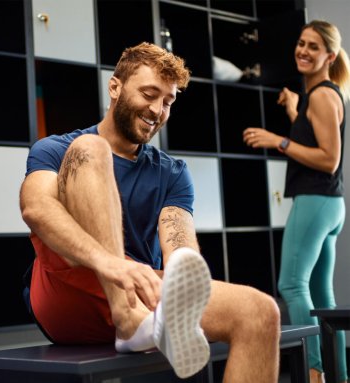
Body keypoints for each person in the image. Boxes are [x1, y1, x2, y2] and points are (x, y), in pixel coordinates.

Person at [21, 42, 281, 382]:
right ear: (114, 87)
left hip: (142, 291)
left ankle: (137, 318)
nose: (157, 109)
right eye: (149, 94)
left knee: (260, 312)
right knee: (89, 148)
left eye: (168, 101)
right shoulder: (55, 148)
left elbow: (179, 241)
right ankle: (127, 316)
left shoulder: (172, 172)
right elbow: (35, 207)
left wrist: (182, 284)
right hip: (68, 290)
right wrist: (110, 264)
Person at [244, 20, 350, 383]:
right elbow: (316, 136)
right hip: (330, 205)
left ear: (329, 56)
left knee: (292, 284)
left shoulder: (321, 95)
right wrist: (294, 111)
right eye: (301, 43)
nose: (303, 51)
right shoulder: (320, 95)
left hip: (315, 200)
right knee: (321, 293)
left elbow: (328, 159)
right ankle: (338, 375)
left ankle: (314, 371)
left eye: (313, 47)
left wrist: (279, 140)